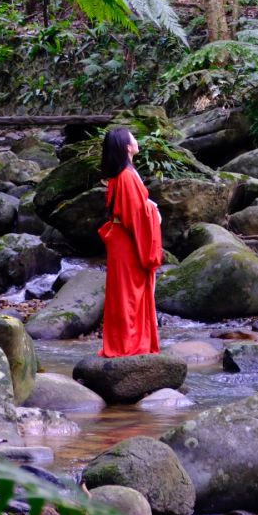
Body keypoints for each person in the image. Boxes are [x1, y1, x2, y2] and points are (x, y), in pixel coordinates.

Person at [97, 126, 163, 357]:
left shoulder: (124, 173)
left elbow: (133, 208)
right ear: (127, 146)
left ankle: (130, 342)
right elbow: (135, 214)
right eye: (132, 137)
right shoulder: (126, 176)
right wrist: (153, 212)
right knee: (129, 294)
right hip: (127, 242)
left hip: (122, 239)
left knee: (126, 293)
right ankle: (129, 345)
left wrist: (149, 207)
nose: (136, 139)